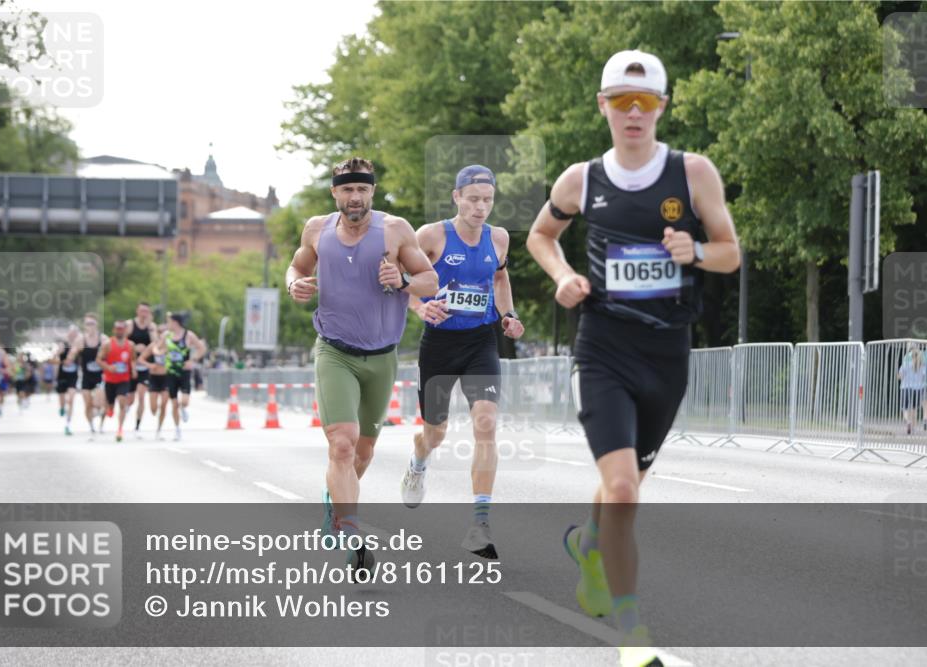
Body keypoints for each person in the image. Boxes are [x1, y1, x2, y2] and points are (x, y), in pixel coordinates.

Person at [526, 50, 740, 666]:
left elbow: (729, 253)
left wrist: (694, 250)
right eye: (622, 101)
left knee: (625, 486)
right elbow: (542, 236)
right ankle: (632, 636)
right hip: (602, 348)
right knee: (621, 488)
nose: (635, 113)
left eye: (646, 102)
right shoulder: (581, 180)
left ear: (662, 108)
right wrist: (564, 276)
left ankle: (589, 546)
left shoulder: (693, 174)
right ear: (604, 107)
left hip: (667, 354)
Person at [286, 156, 438, 571]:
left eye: (363, 189)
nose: (355, 197)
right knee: (342, 444)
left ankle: (334, 505)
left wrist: (404, 282)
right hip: (334, 351)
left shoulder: (395, 230)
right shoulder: (317, 229)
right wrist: (293, 283)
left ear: (372, 191)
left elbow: (431, 281)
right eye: (347, 189)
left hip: (381, 356)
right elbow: (297, 266)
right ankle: (351, 532)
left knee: (364, 453)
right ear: (335, 192)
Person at [399, 164, 525, 559]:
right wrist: (421, 308)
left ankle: (480, 523)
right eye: (473, 199)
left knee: (486, 424)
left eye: (487, 200)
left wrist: (509, 315)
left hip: (479, 343)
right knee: (435, 433)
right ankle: (419, 460)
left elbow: (500, 279)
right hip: (438, 344)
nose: (480, 208)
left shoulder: (499, 238)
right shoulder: (431, 236)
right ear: (456, 197)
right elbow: (402, 282)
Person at [163, 312, 206, 441]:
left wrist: (192, 360)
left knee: (185, 401)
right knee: (174, 403)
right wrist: (159, 352)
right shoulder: (166, 335)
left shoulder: (188, 335)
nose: (168, 324)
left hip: (184, 372)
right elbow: (157, 347)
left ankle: (183, 408)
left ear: (175, 322)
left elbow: (201, 348)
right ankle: (177, 429)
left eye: (169, 322)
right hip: (171, 372)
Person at [67, 313, 108, 437]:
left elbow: (111, 351)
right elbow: (72, 352)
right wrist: (71, 356)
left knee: (100, 403)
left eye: (92, 323)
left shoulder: (103, 339)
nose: (90, 326)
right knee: (88, 404)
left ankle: (101, 423)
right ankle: (92, 426)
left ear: (97, 325)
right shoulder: (81, 340)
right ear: (84, 326)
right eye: (87, 324)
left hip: (100, 376)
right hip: (86, 376)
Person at [98, 320, 136, 442]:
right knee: (110, 406)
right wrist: (108, 367)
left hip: (124, 379)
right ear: (114, 330)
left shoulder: (130, 345)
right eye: (117, 329)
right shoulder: (108, 344)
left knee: (122, 401)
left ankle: (120, 429)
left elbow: (133, 360)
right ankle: (109, 409)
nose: (120, 331)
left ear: (125, 330)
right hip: (110, 379)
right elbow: (99, 360)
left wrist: (134, 369)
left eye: (122, 329)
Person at [127, 302, 157, 438]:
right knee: (130, 399)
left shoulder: (152, 327)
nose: (144, 313)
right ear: (137, 311)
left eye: (146, 311)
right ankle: (125, 408)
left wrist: (151, 329)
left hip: (145, 365)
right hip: (131, 365)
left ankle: (137, 426)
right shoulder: (130, 325)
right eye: (142, 311)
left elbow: (157, 345)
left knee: (141, 396)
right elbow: (121, 341)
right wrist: (133, 347)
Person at [137, 326, 169, 440]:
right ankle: (155, 414)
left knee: (164, 404)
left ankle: (159, 429)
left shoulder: (171, 347)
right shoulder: (153, 346)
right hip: (154, 377)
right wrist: (150, 365)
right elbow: (140, 359)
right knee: (153, 408)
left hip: (166, 377)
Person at [54, 327, 81, 436]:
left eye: (75, 333)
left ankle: (68, 423)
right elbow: (55, 358)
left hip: (73, 376)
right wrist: (58, 354)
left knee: (71, 399)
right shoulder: (62, 344)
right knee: (62, 399)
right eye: (71, 333)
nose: (73, 335)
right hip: (62, 376)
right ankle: (61, 407)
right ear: (68, 334)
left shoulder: (79, 346)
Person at [898, 345, 927, 435]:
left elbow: (900, 376)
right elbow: (924, 376)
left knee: (905, 408)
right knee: (914, 409)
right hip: (917, 389)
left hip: (905, 387)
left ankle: (908, 422)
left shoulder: (905, 364)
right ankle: (914, 429)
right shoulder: (922, 366)